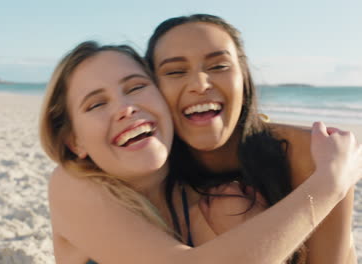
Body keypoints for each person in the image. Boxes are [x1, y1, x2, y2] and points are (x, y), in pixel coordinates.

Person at [40, 41, 362, 264]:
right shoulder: (73, 185)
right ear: (74, 141)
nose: (126, 108)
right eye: (96, 104)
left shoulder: (211, 198)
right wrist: (327, 186)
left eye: (136, 87)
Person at [145, 14, 357, 263]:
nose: (200, 84)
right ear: (152, 88)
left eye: (219, 66)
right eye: (176, 71)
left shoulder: (315, 154)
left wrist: (327, 183)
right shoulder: (146, 172)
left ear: (244, 77)